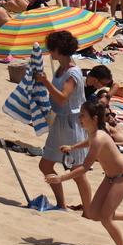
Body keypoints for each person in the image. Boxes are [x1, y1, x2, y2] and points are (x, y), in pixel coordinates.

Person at [45, 101, 123, 245]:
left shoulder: (99, 137)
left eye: (83, 116)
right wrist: (73, 147)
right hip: (110, 177)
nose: (80, 119)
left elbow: (84, 167)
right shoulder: (94, 134)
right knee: (93, 213)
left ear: (94, 118)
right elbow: (89, 142)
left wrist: (61, 178)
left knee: (105, 218)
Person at [37, 30, 92, 213]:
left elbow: (62, 98)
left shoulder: (72, 73)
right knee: (45, 164)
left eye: (51, 49)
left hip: (71, 124)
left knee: (77, 170)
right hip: (58, 121)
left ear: (58, 49)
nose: (49, 52)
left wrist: (46, 82)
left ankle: (88, 209)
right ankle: (61, 204)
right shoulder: (61, 69)